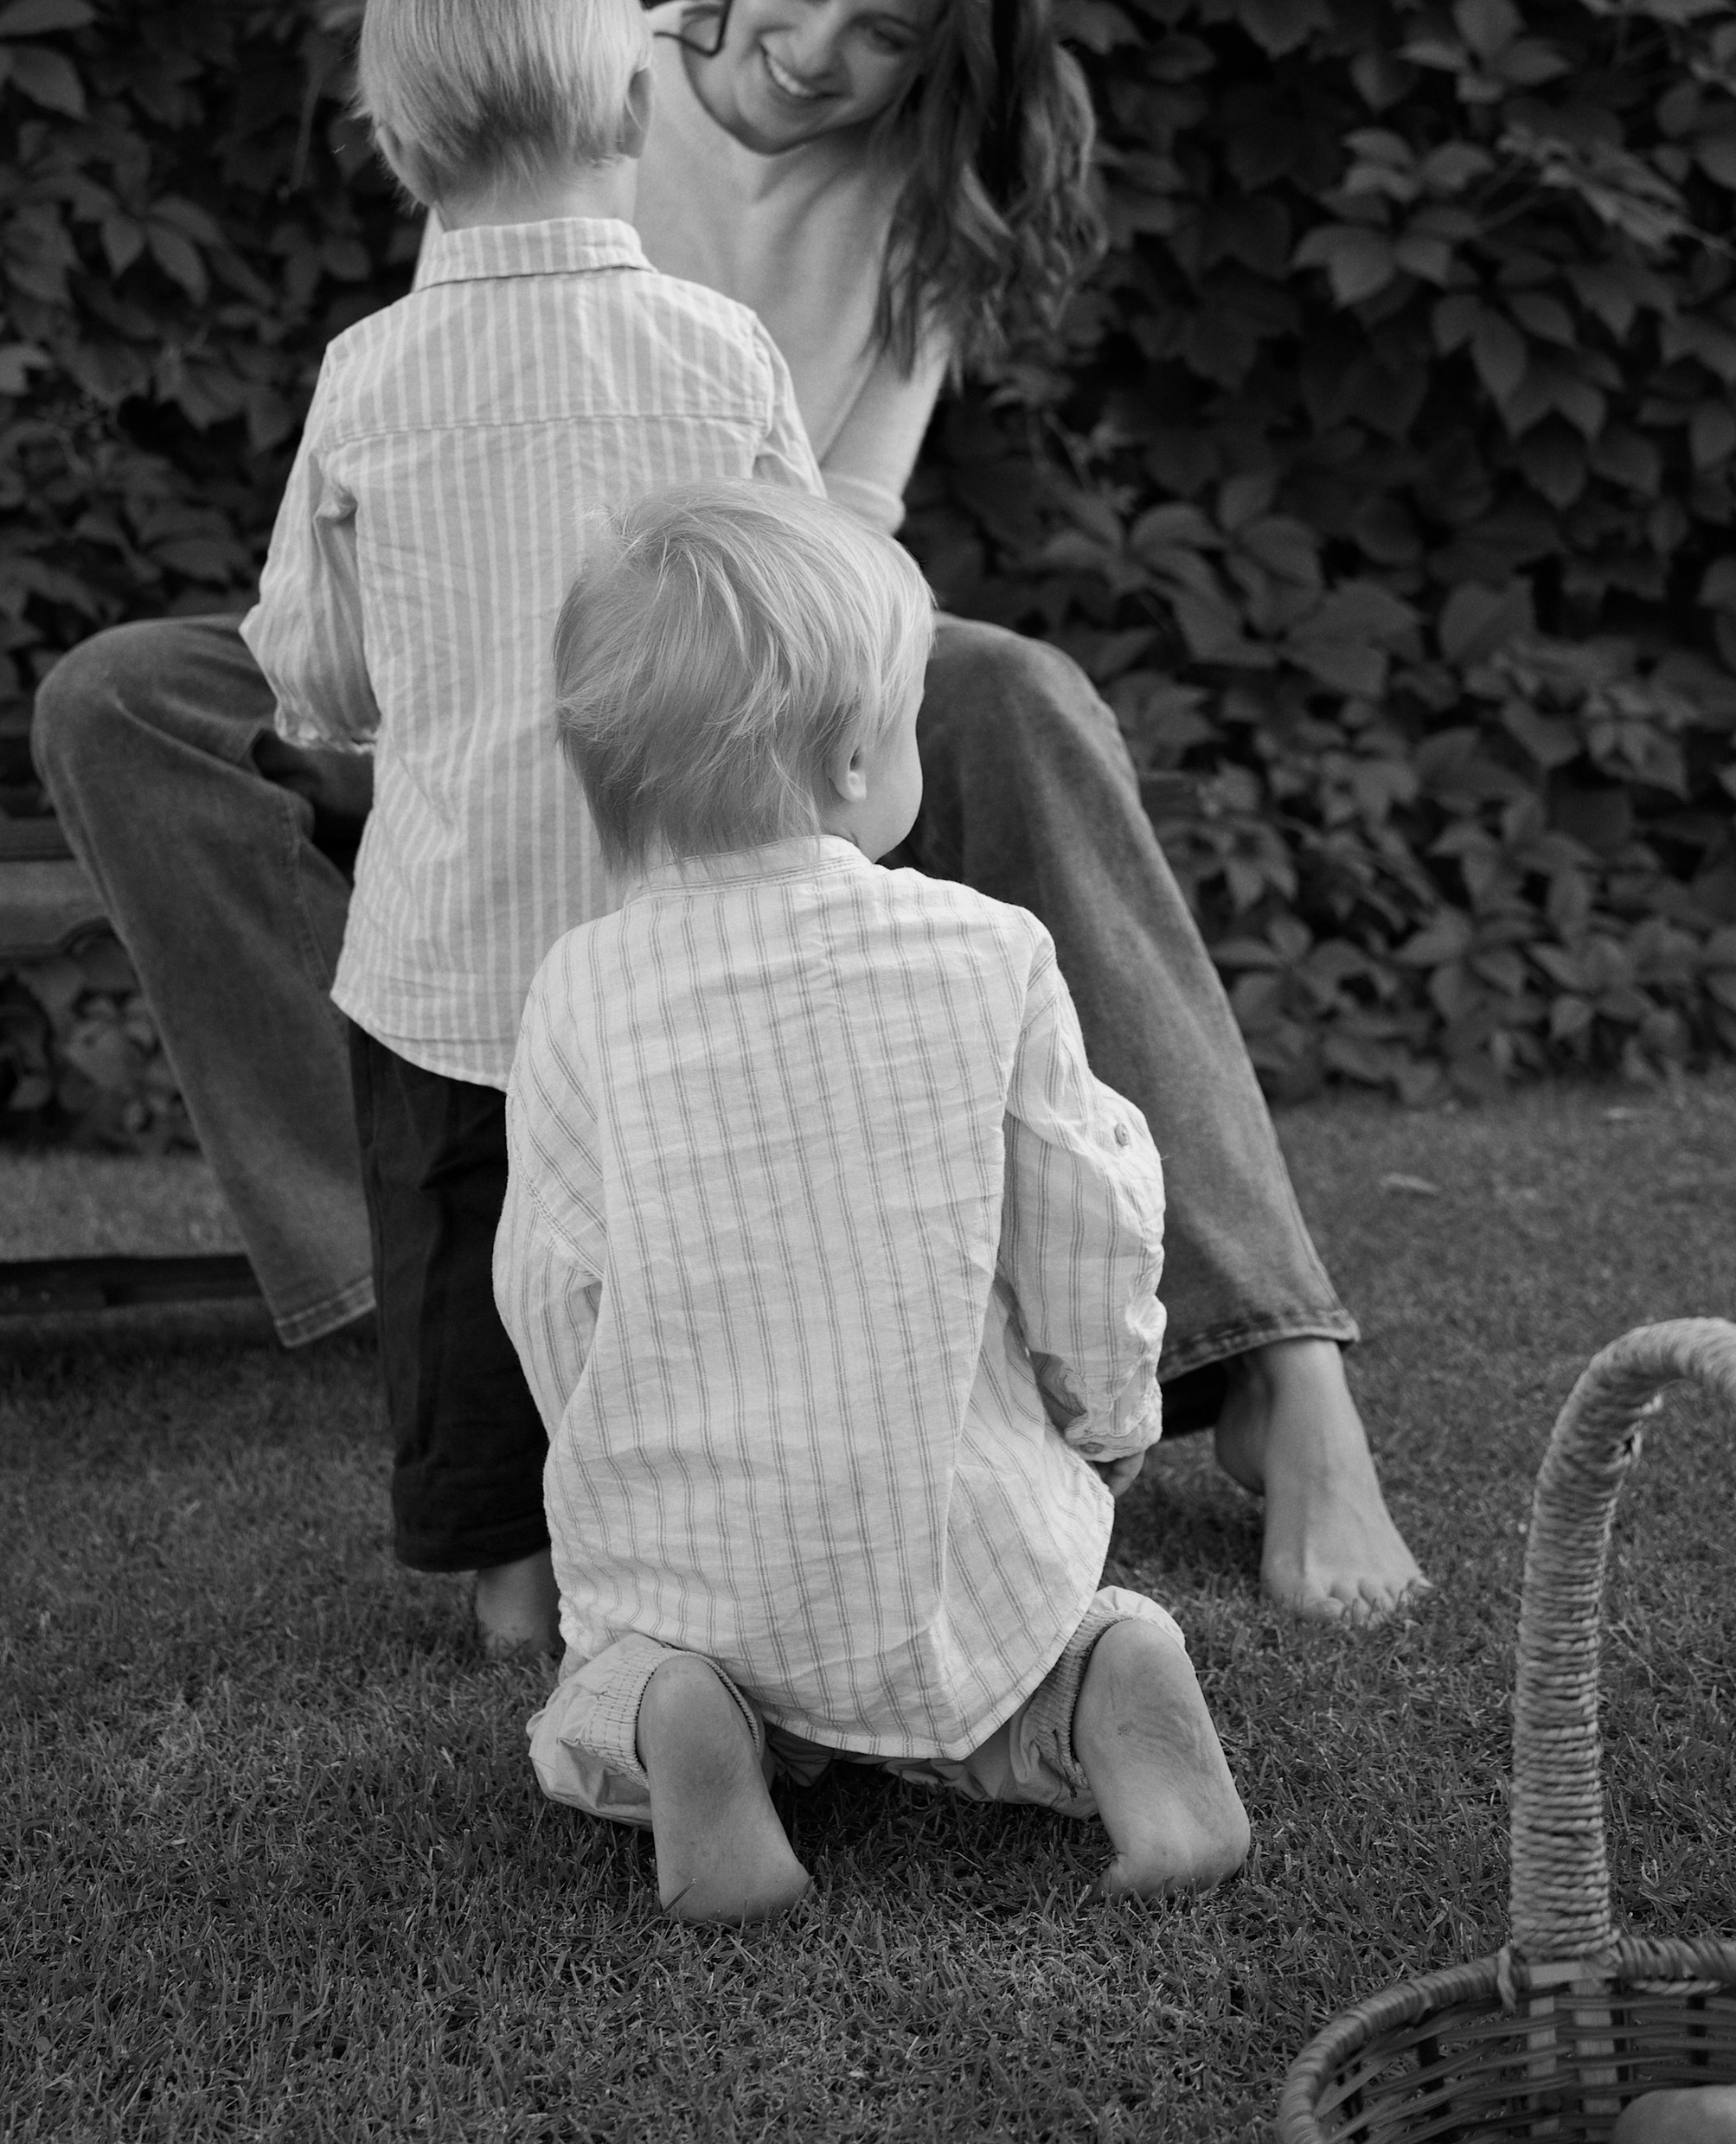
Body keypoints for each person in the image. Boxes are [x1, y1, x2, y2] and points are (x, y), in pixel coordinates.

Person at [33, 0, 1425, 1625]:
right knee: (118, 698)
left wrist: (731, 671)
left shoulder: (922, 202)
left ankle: (1277, 1371)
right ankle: (437, 1255)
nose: (811, 49)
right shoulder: (559, 45)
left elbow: (834, 539)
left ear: (936, 60)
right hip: (475, 642)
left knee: (1015, 695)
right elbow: (412, 450)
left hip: (729, 636)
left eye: (881, 34)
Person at [499, 480, 1252, 1922]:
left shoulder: (581, 990)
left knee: (605, 1699)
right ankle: (1108, 1685)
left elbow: (552, 1282)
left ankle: (691, 1731)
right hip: (960, 1545)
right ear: (856, 759)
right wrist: (1107, 1418)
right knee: (1045, 1649)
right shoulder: (991, 951)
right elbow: (1086, 1215)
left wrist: (602, 1454)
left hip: (701, 1552)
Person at [243, 0, 824, 1656]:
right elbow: (804, 614)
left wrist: (361, 723)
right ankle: (711, 1538)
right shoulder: (719, 352)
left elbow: (309, 660)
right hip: (692, 924)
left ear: (396, 140)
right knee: (696, 1231)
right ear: (636, 114)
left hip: (456, 939)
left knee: (461, 1247)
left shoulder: (368, 375)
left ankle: (515, 1574)